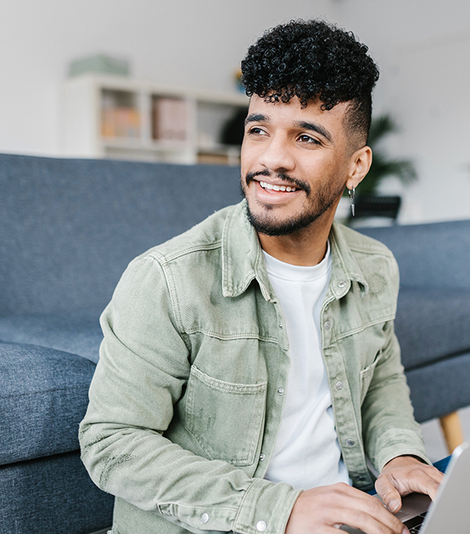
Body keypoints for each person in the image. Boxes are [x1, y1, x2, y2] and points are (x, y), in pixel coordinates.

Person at [79, 19, 442, 534]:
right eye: (258, 130)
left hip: (347, 514)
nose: (271, 159)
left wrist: (400, 456)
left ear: (356, 166)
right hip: (238, 523)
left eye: (307, 138)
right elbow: (111, 443)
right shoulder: (167, 279)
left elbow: (382, 383)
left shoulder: (375, 266)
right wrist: (282, 510)